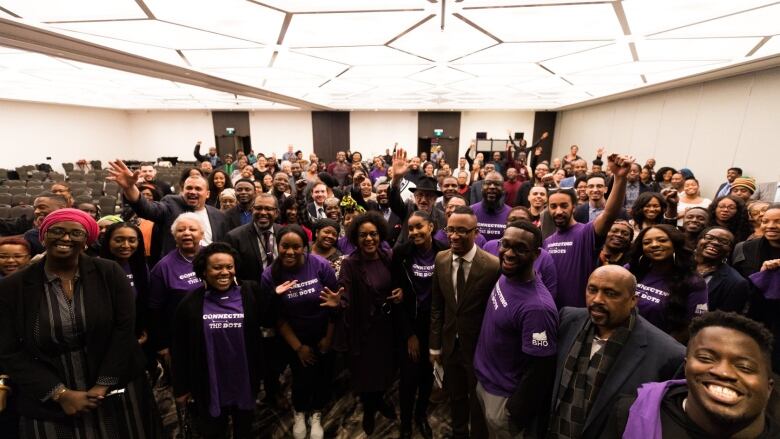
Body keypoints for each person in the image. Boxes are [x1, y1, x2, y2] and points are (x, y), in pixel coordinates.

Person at [0, 208, 159, 438]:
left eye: (76, 233)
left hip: (116, 390)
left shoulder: (109, 272)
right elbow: (9, 350)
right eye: (57, 231)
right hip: (49, 398)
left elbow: (124, 331)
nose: (66, 238)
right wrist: (61, 394)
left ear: (87, 240)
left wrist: (102, 385)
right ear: (43, 235)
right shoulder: (12, 287)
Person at [547, 265, 685, 439]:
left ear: (633, 300)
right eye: (592, 290)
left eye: (610, 293)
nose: (597, 299)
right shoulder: (568, 319)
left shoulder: (668, 355)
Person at [608, 311, 778, 439]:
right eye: (706, 358)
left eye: (745, 367)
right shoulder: (630, 413)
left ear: (769, 386)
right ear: (686, 366)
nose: (724, 372)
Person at [474, 220, 558, 437]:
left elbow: (541, 368)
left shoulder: (537, 308)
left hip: (503, 398)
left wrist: (516, 410)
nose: (509, 254)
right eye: (505, 245)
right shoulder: (507, 274)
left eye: (520, 248)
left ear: (536, 254)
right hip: (484, 382)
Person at [172, 243, 265, 439]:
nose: (225, 272)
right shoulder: (189, 303)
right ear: (204, 271)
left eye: (229, 267)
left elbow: (270, 321)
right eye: (217, 267)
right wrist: (181, 388)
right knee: (213, 431)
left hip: (244, 379)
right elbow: (179, 350)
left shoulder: (250, 292)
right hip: (209, 382)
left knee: (244, 430)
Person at [430, 206, 501, 439]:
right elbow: (437, 307)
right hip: (450, 345)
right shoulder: (440, 259)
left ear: (476, 232)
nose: (454, 236)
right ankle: (459, 433)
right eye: (450, 230)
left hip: (479, 347)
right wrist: (435, 345)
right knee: (456, 395)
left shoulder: (492, 266)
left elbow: (494, 313)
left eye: (461, 230)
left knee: (478, 398)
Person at [263, 225, 340, 439]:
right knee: (300, 377)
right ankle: (300, 411)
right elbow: (278, 318)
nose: (290, 252)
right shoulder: (270, 274)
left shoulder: (320, 265)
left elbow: (334, 304)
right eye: (284, 246)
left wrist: (328, 337)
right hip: (293, 337)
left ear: (305, 247)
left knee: (323, 376)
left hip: (324, 331)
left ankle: (316, 413)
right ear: (277, 246)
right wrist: (298, 348)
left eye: (296, 247)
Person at [337, 212, 403, 435]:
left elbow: (399, 281)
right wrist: (339, 300)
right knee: (366, 371)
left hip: (388, 326)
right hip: (364, 328)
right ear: (355, 237)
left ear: (380, 235)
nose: (368, 239)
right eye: (363, 235)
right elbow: (343, 291)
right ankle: (368, 407)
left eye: (373, 234)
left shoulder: (388, 255)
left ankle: (379, 399)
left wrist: (401, 292)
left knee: (386, 367)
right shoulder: (350, 264)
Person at [544, 153, 634, 309]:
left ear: (574, 207)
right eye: (553, 206)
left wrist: (619, 178)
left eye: (564, 206)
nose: (558, 211)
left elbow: (609, 214)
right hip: (551, 312)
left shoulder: (586, 232)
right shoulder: (547, 242)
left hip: (579, 314)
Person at [393, 211, 449, 439]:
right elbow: (395, 296)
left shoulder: (443, 253)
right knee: (408, 378)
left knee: (427, 375)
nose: (414, 232)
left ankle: (420, 416)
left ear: (431, 227)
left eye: (419, 227)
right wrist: (409, 335)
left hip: (434, 325)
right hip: (410, 324)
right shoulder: (401, 253)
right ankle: (405, 422)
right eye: (410, 228)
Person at [108, 160, 229, 259]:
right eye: (189, 188)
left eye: (198, 189)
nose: (193, 191)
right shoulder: (171, 204)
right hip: (177, 271)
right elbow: (146, 209)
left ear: (207, 194)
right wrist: (130, 188)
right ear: (182, 191)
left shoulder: (218, 216)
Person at [627, 225, 708, 343]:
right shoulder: (631, 270)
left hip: (660, 348)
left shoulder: (694, 282)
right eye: (647, 242)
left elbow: (692, 327)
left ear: (675, 244)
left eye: (662, 240)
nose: (654, 245)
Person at [148, 212, 204, 369]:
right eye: (180, 230)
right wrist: (162, 344)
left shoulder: (215, 255)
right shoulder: (163, 267)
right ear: (174, 236)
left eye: (192, 229)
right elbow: (154, 309)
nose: (186, 233)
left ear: (202, 234)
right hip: (181, 337)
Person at [482, 206, 559, 299]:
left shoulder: (544, 256)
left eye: (523, 220)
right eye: (513, 219)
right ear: (506, 223)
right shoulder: (489, 246)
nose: (517, 223)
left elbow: (550, 292)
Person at [99, 222, 150, 349]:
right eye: (119, 240)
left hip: (136, 337)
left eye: (132, 240)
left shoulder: (141, 267)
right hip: (106, 341)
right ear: (108, 241)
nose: (126, 245)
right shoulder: (96, 267)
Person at [389, 148, 447, 243]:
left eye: (428, 196)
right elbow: (394, 202)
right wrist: (396, 179)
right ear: (414, 197)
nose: (423, 200)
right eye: (419, 195)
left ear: (435, 199)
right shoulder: (407, 209)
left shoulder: (442, 217)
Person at [694, 226, 750, 313]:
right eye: (709, 237)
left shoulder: (735, 282)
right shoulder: (677, 265)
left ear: (729, 250)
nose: (715, 243)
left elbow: (724, 320)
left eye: (724, 241)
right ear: (698, 241)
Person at [471, 171, 511, 241]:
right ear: (482, 188)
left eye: (497, 184)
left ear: (503, 190)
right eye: (488, 183)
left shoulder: (511, 214)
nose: (492, 187)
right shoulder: (471, 211)